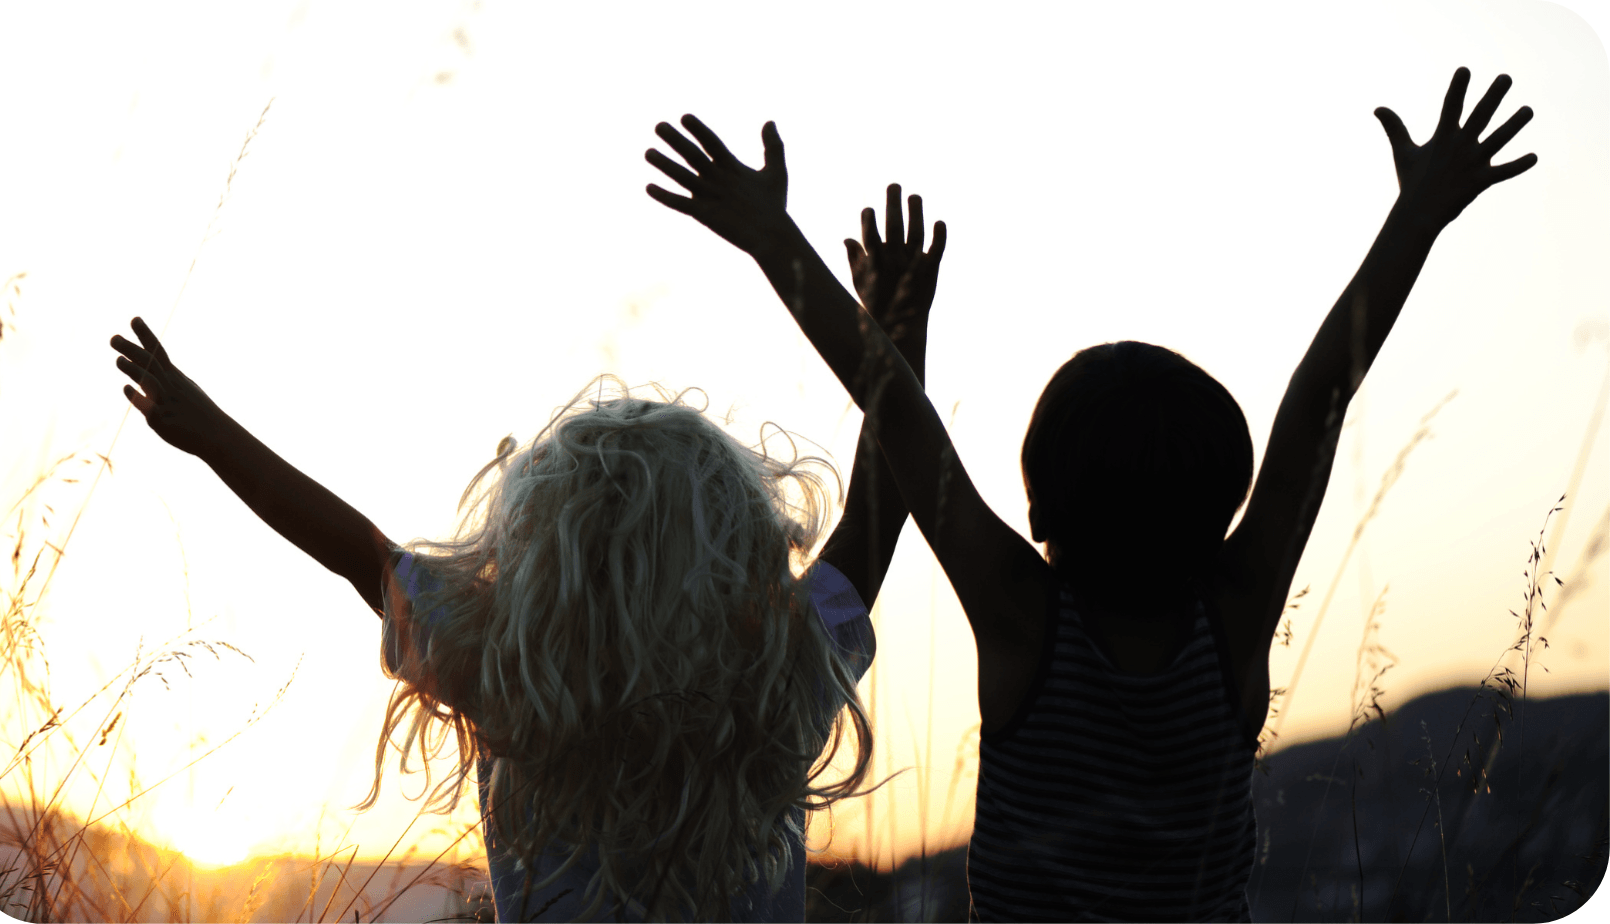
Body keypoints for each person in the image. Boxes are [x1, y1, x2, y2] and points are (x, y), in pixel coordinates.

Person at [645, 67, 1535, 921]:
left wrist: (782, 244)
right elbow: (1320, 401)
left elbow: (898, 412)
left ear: (1038, 513)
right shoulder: (1232, 617)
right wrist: (1419, 215)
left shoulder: (1023, 620)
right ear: (1222, 510)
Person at [107, 197, 943, 921]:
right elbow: (881, 499)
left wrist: (208, 433)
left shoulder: (508, 675)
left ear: (547, 549)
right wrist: (897, 336)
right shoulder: (774, 680)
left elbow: (352, 548)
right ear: (726, 547)